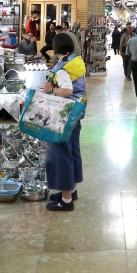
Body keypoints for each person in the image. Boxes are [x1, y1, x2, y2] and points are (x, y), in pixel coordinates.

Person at [44, 33, 86, 210]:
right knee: (73, 151)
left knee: (62, 154)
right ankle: (72, 189)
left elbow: (67, 91)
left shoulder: (62, 68)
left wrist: (52, 88)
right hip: (76, 113)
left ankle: (66, 200)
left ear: (55, 48)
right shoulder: (75, 61)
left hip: (65, 114)